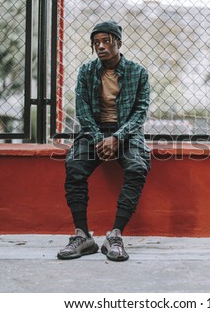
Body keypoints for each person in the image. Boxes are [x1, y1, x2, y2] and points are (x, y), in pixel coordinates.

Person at [57, 20, 151, 262]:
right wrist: (101, 140)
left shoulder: (137, 72)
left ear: (118, 43)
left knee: (138, 167)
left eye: (106, 41)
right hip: (93, 132)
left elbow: (140, 112)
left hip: (127, 134)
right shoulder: (86, 72)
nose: (100, 46)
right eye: (96, 42)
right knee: (75, 166)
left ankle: (115, 236)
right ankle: (82, 236)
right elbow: (83, 110)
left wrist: (117, 138)